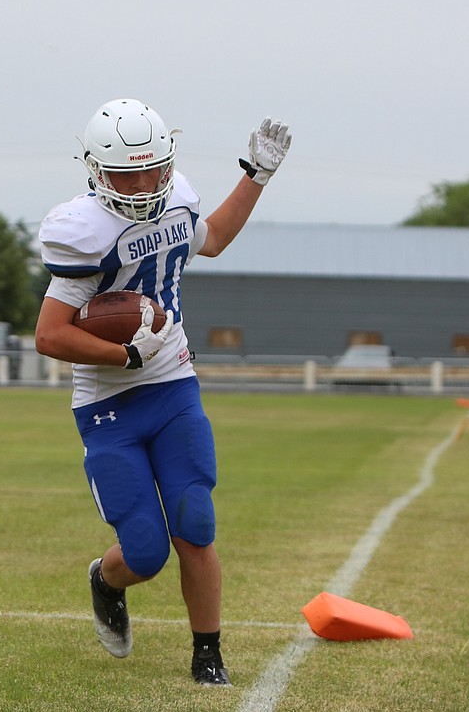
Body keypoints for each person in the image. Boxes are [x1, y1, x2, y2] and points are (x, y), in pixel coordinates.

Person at [34, 99, 291, 686]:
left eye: (154, 169)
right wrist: (124, 353)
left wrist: (257, 177)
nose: (145, 184)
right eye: (129, 172)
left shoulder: (178, 201)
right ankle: (106, 579)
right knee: (145, 552)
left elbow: (216, 238)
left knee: (195, 522)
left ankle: (208, 654)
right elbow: (50, 334)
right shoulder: (85, 231)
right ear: (97, 171)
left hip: (173, 383)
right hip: (108, 403)